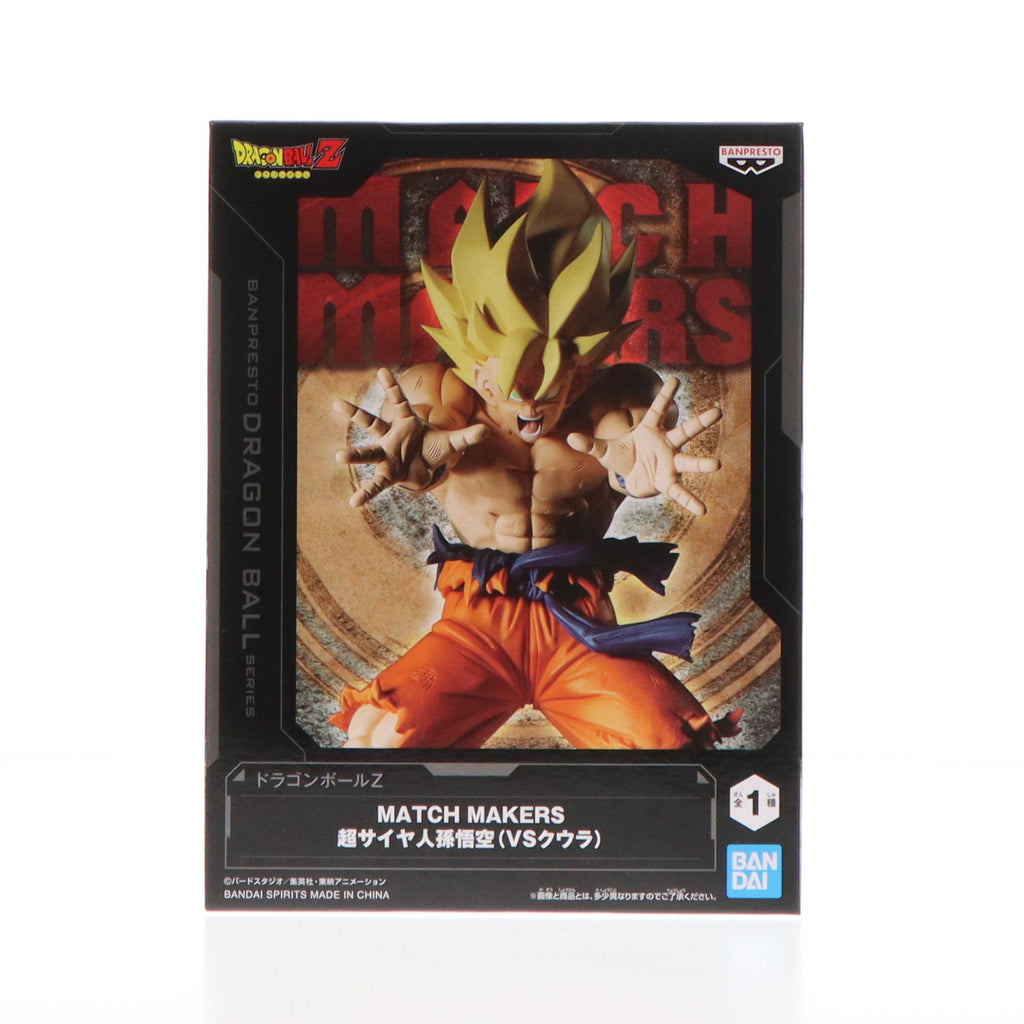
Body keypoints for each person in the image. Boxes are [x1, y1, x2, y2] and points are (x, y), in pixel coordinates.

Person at [330, 160, 741, 749]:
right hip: (477, 622)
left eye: (550, 383)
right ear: (477, 368)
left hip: (579, 620)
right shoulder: (443, 394)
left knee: (674, 747)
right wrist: (417, 457)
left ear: (581, 367)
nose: (528, 401)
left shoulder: (615, 398)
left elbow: (628, 440)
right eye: (510, 382)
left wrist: (635, 466)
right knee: (378, 738)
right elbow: (427, 438)